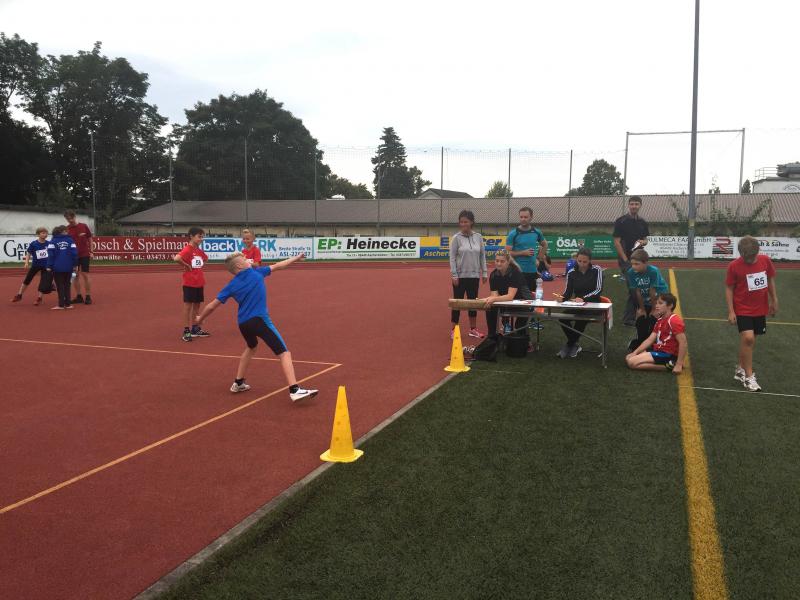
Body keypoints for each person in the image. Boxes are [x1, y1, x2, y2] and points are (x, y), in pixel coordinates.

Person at [194, 252, 318, 401]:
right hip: (259, 320)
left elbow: (212, 305)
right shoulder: (257, 273)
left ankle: (238, 382)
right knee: (284, 353)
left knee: (251, 347)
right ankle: (295, 390)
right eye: (244, 259)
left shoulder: (231, 285)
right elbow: (279, 265)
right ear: (239, 265)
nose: (248, 259)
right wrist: (296, 258)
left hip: (243, 323)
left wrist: (200, 319)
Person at [725, 236, 778, 392]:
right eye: (746, 257)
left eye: (752, 257)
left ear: (757, 252)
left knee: (749, 341)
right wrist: (731, 310)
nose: (749, 260)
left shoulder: (765, 261)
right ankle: (749, 377)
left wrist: (774, 300)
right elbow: (729, 288)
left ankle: (740, 369)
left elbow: (770, 280)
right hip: (742, 308)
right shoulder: (733, 266)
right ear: (741, 253)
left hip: (760, 308)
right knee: (748, 339)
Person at [552, 247, 604, 358]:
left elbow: (598, 289)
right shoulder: (571, 272)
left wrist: (584, 298)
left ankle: (569, 345)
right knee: (562, 318)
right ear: (576, 259)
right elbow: (568, 292)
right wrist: (561, 298)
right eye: (579, 261)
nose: (582, 264)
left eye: (585, 262)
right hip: (578, 305)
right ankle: (574, 344)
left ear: (590, 260)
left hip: (593, 305)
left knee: (581, 319)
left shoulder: (597, 269)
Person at [506, 207, 548, 330]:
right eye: (521, 217)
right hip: (517, 273)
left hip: (532, 272)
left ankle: (532, 321)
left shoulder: (536, 232)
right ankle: (507, 323)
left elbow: (544, 244)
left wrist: (539, 258)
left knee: (532, 299)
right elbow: (507, 253)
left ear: (531, 217)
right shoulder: (513, 233)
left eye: (526, 217)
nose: (523, 219)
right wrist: (522, 253)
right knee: (514, 299)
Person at [449, 210, 488, 339]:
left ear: (471, 222)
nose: (463, 224)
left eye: (466, 221)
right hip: (460, 277)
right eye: (461, 222)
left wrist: (484, 272)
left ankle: (473, 329)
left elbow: (482, 255)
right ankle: (454, 329)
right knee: (457, 303)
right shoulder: (456, 238)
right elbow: (452, 258)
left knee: (473, 303)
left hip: (474, 276)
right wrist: (454, 275)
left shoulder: (478, 237)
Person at [626, 293, 687, 374]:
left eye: (660, 303)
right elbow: (650, 340)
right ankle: (668, 364)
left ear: (670, 306)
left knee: (631, 362)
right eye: (657, 303)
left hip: (668, 353)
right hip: (659, 349)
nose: (657, 306)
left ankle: (670, 366)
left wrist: (679, 364)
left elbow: (683, 342)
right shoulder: (660, 320)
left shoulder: (674, 320)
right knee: (628, 357)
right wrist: (635, 352)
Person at [478, 248, 531, 338]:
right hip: (507, 302)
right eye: (497, 261)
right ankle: (492, 337)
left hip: (524, 302)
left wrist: (492, 299)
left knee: (519, 327)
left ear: (508, 262)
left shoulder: (515, 273)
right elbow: (494, 296)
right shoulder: (493, 275)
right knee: (490, 308)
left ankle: (523, 341)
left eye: (502, 261)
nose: (499, 263)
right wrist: (489, 300)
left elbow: (510, 296)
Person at [613, 196, 649, 326]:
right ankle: (630, 317)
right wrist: (625, 260)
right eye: (632, 204)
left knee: (636, 287)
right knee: (634, 288)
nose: (634, 206)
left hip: (639, 259)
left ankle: (631, 317)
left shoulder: (643, 222)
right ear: (628, 205)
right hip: (627, 261)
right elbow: (617, 242)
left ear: (640, 206)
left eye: (636, 204)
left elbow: (646, 239)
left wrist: (643, 242)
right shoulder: (621, 221)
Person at [626, 249, 668, 352]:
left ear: (645, 263)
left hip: (659, 298)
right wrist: (642, 309)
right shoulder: (631, 272)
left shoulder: (653, 271)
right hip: (645, 299)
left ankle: (654, 344)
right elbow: (637, 291)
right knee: (641, 320)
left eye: (637, 264)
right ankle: (641, 343)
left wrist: (654, 309)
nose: (633, 266)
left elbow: (652, 291)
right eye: (632, 264)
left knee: (654, 320)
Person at [174, 227, 210, 342]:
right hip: (189, 282)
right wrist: (186, 265)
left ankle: (195, 328)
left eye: (202, 237)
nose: (201, 239)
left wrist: (197, 267)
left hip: (199, 282)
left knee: (197, 306)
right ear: (191, 236)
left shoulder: (198, 250)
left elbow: (205, 258)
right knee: (188, 306)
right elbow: (177, 258)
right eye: (199, 237)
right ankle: (186, 330)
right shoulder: (188, 249)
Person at [11, 227, 50, 305]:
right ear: (38, 234)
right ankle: (19, 295)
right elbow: (28, 253)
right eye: (43, 233)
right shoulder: (34, 244)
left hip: (46, 266)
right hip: (35, 265)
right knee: (27, 280)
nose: (45, 234)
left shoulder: (49, 244)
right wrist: (26, 262)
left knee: (43, 282)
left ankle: (39, 298)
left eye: (46, 233)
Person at [65, 210, 94, 305]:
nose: (70, 220)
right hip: (73, 256)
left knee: (85, 274)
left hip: (84, 254)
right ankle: (79, 296)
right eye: (68, 219)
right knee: (75, 275)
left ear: (74, 217)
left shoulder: (83, 226)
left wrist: (91, 251)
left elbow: (90, 238)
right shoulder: (67, 229)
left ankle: (88, 296)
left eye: (71, 218)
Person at [46, 225, 78, 310]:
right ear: (62, 231)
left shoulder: (52, 242)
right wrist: (75, 265)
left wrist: (49, 266)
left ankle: (61, 305)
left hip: (57, 267)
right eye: (66, 231)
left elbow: (51, 255)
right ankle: (68, 304)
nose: (67, 232)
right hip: (69, 266)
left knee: (60, 286)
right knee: (67, 285)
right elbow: (74, 254)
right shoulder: (70, 240)